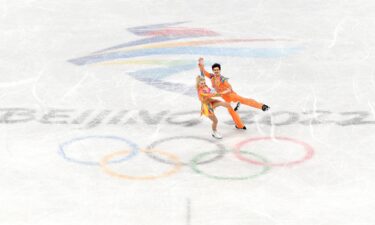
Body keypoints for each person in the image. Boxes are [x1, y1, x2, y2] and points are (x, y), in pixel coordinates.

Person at [198, 57, 270, 129]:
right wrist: (201, 64)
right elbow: (203, 71)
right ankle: (240, 125)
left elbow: (229, 88)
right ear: (213, 70)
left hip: (231, 95)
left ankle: (262, 106)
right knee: (231, 111)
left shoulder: (222, 79)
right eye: (214, 70)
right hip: (226, 99)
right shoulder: (212, 77)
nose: (216, 71)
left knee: (244, 100)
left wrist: (224, 92)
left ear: (220, 70)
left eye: (217, 70)